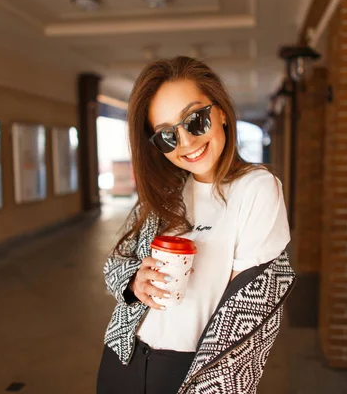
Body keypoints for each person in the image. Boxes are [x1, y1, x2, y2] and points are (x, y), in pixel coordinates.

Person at [97, 56, 296, 394]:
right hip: (123, 356)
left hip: (193, 371)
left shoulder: (256, 188)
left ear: (219, 112)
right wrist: (134, 282)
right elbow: (114, 264)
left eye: (195, 120)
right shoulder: (164, 192)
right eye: (166, 136)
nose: (186, 142)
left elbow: (243, 320)